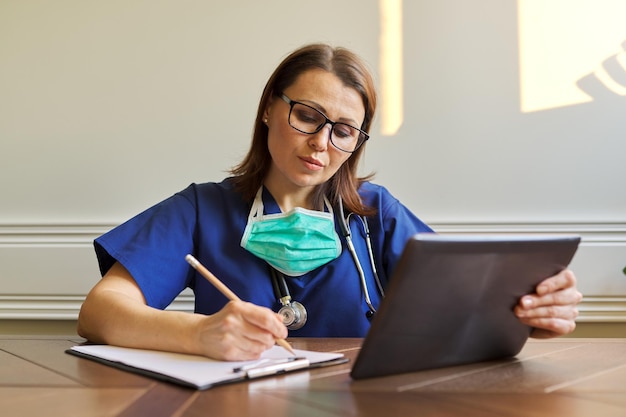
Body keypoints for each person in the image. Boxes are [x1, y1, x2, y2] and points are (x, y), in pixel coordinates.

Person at [77, 43, 583, 361]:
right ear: (269, 111)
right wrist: (199, 335)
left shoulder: (377, 213)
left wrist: (534, 315)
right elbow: (101, 312)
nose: (322, 143)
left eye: (344, 131)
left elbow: (464, 307)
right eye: (307, 116)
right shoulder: (199, 210)